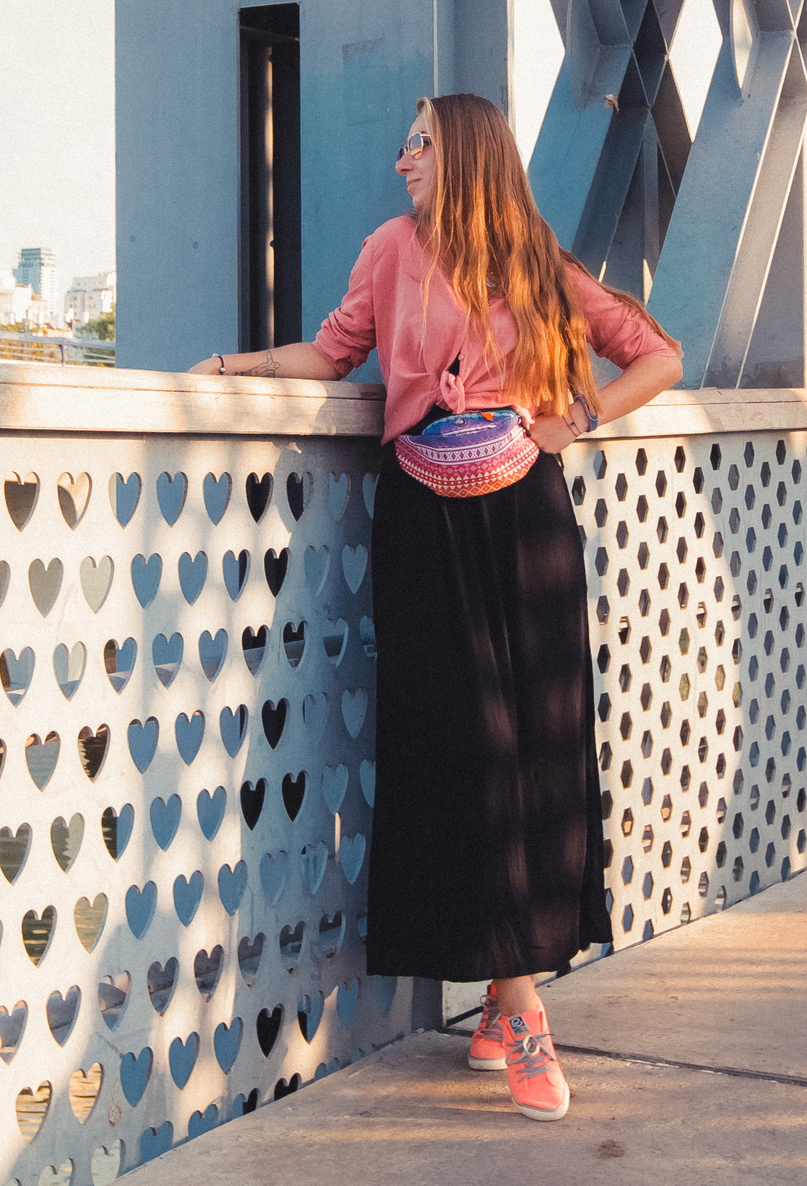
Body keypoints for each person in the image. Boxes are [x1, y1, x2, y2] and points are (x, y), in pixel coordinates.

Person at [191, 92, 683, 1121]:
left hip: (525, 519)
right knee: (463, 749)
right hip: (423, 521)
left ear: (461, 154)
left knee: (537, 749)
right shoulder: (388, 249)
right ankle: (522, 1012)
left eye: (418, 140)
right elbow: (331, 356)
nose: (400, 154)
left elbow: (655, 355)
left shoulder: (532, 256)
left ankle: (510, 1006)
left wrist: (569, 421)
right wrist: (234, 366)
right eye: (403, 138)